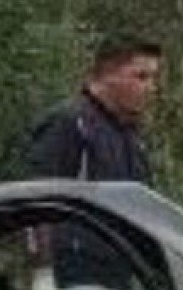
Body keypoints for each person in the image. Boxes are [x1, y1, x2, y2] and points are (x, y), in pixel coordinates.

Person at [22, 33, 163, 184]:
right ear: (108, 73)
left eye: (153, 78)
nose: (151, 88)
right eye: (141, 77)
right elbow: (39, 196)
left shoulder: (133, 140)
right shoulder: (71, 124)